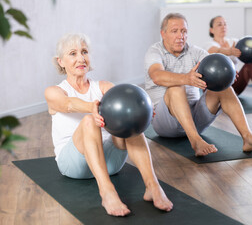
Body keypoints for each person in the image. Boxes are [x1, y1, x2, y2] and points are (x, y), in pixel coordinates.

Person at [45, 33, 173, 217]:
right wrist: (93, 107)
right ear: (61, 61)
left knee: (131, 120)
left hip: (111, 161)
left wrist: (142, 109)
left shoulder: (103, 86)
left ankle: (152, 186)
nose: (81, 58)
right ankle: (107, 192)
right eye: (72, 53)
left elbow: (129, 101)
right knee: (89, 121)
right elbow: (68, 104)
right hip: (74, 165)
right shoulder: (54, 92)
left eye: (84, 52)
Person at [144, 13, 252, 157]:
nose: (180, 36)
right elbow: (156, 76)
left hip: (196, 119)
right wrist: (186, 78)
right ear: (163, 34)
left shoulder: (194, 51)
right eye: (174, 31)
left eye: (184, 31)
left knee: (223, 87)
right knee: (176, 89)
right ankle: (196, 142)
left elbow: (214, 62)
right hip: (166, 123)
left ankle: (248, 137)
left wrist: (227, 70)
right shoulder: (155, 52)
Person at [206, 16, 252, 106]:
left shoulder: (233, 42)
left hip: (234, 85)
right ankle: (220, 98)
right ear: (211, 30)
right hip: (217, 87)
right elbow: (215, 51)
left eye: (225, 24)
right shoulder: (209, 44)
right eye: (219, 24)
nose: (223, 26)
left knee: (250, 65)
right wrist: (229, 51)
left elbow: (248, 46)